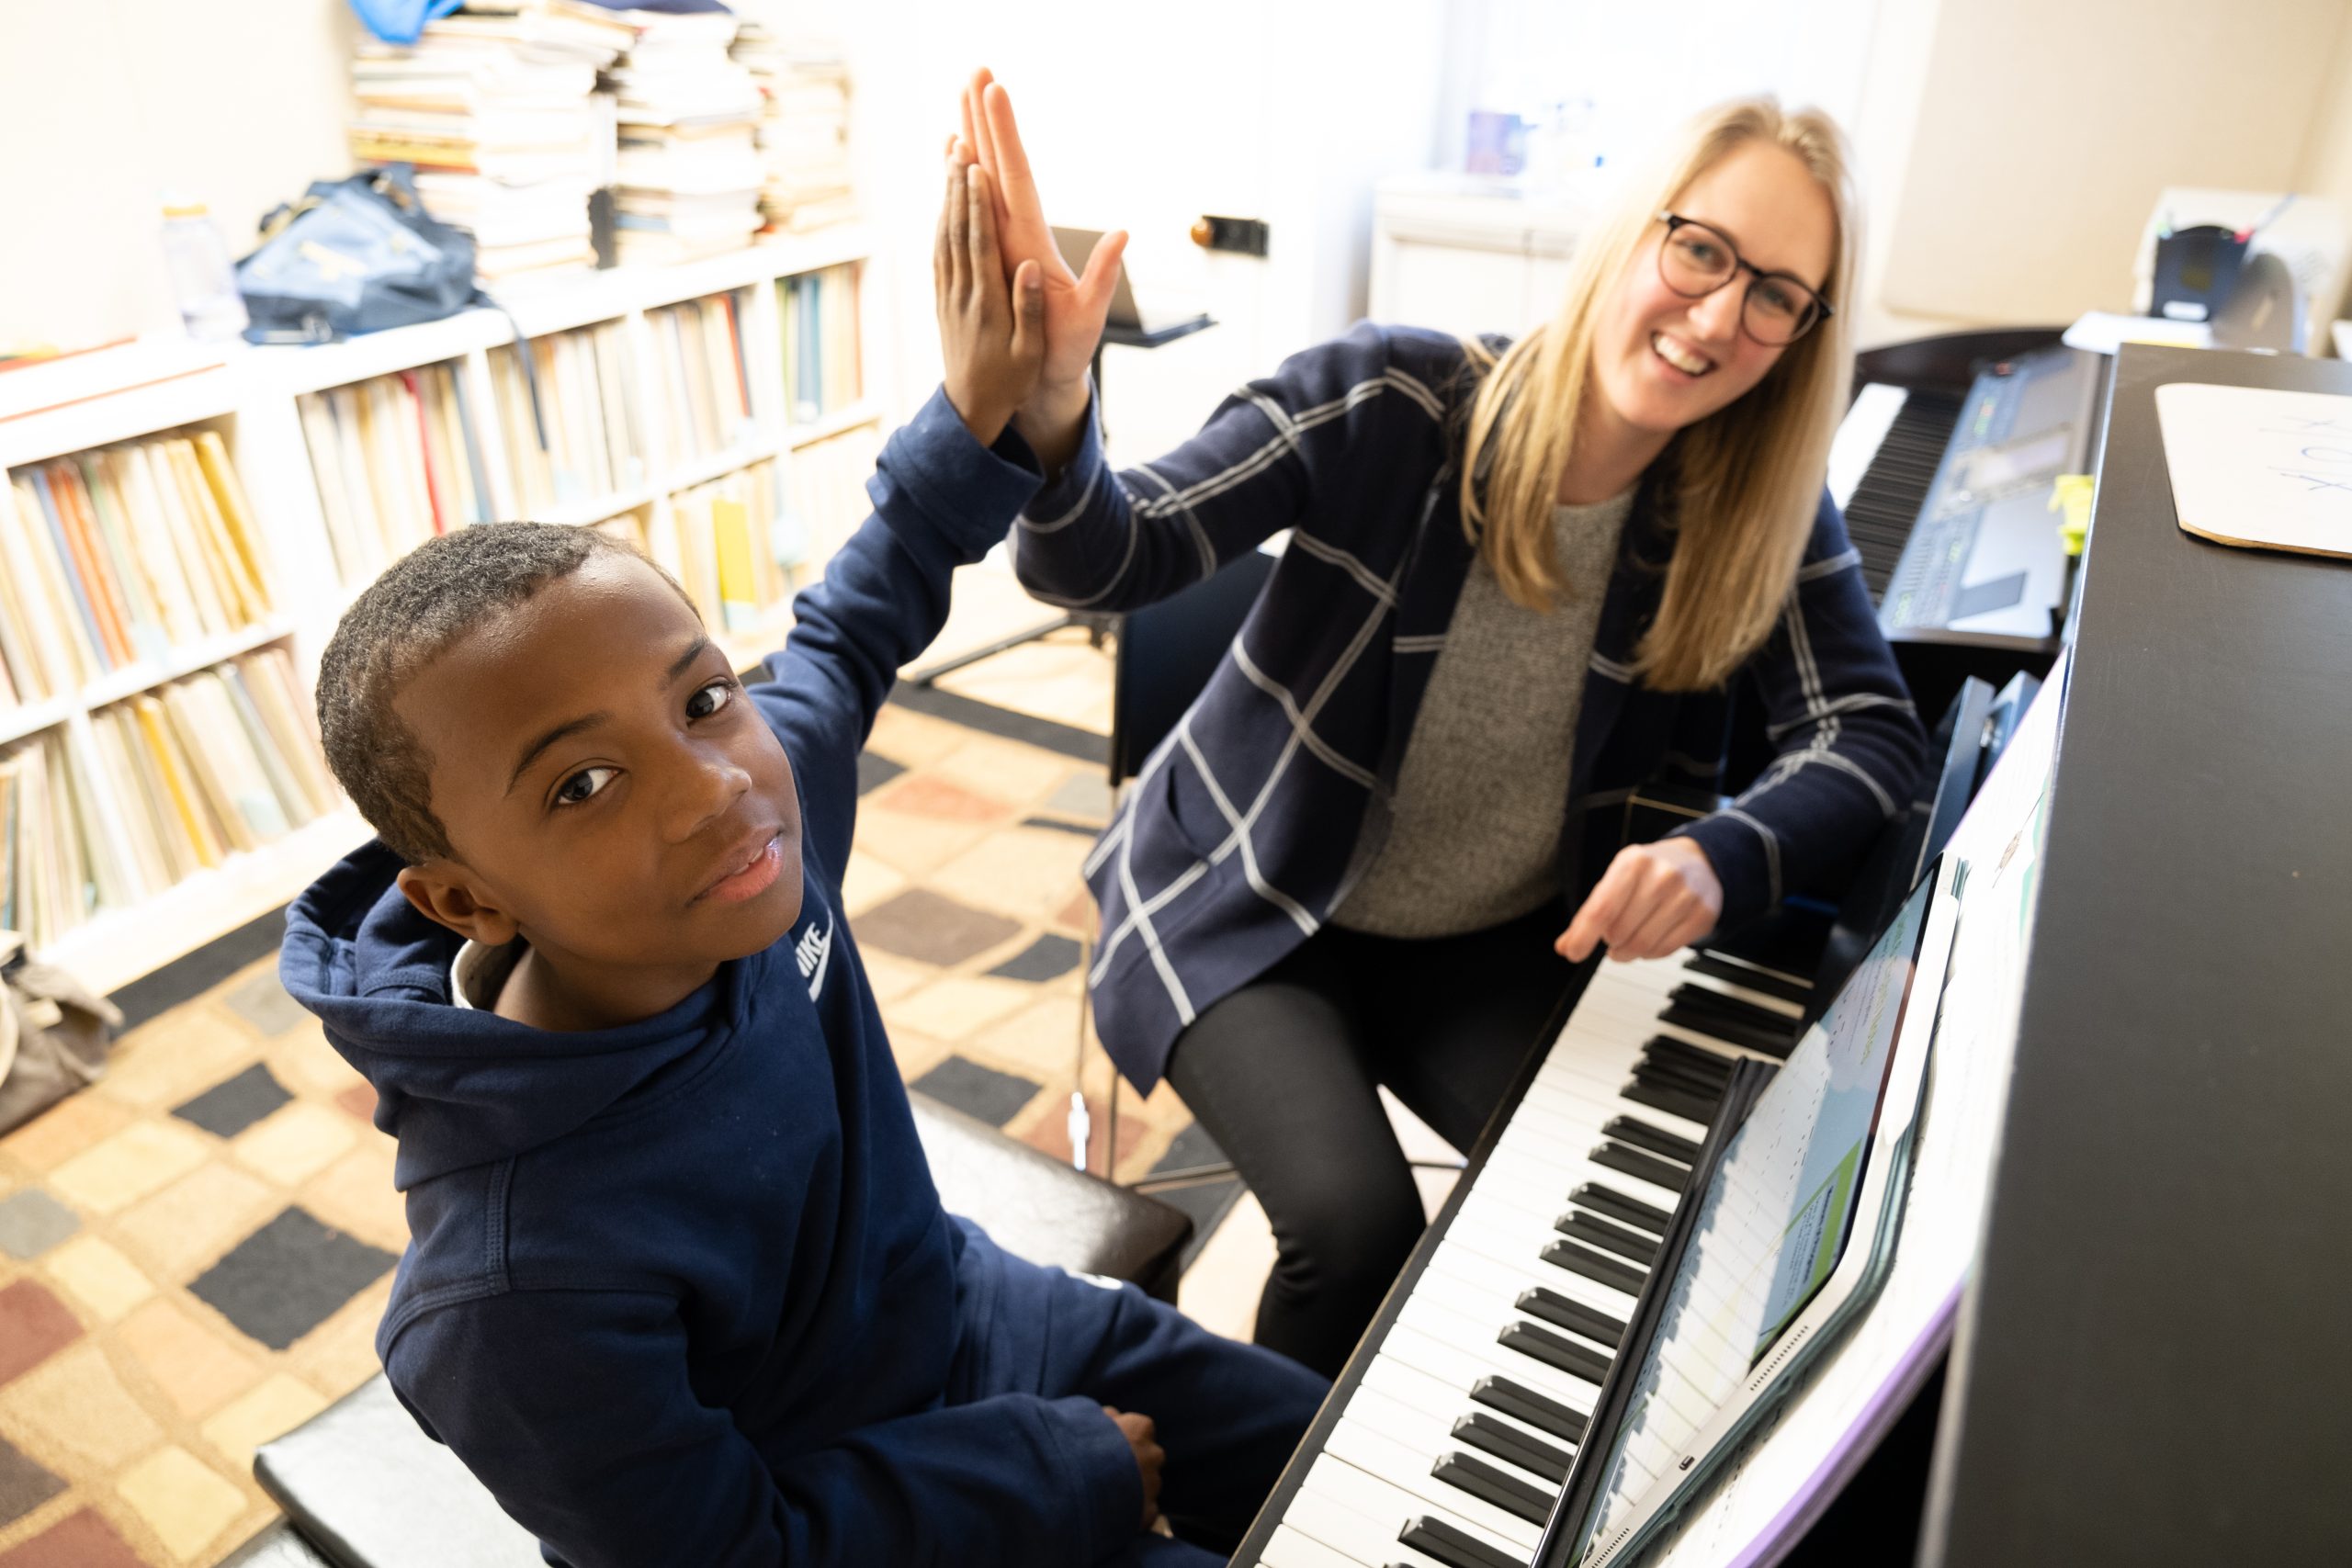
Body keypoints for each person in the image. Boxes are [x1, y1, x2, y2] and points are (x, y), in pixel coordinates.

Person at [277, 152, 1324, 1568]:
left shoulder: (751, 826)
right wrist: (1056, 1468)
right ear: (464, 895)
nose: (716, 788)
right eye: (584, 783)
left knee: (1348, 1442)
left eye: (703, 697)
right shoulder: (515, 1297)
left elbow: (845, 626)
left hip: (969, 1307)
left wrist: (985, 409)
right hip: (866, 1494)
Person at [956, 74, 1929, 1379]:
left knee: (1628, 1194)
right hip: (1251, 898)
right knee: (1358, 1230)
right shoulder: (1391, 400)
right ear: (1636, 230)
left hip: (1482, 938)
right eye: (1700, 250)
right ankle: (1262, 1500)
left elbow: (1872, 733)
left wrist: (1720, 857)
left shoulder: (1755, 511)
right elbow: (1107, 561)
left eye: (1775, 295)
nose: (1717, 315)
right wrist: (1056, 409)